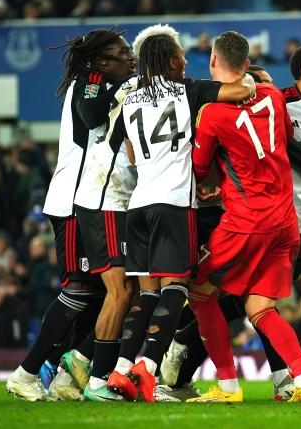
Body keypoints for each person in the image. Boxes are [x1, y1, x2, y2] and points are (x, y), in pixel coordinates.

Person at [156, 59, 301, 402]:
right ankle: (296, 379)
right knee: (254, 306)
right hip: (284, 222)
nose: (264, 86)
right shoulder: (276, 101)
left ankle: (273, 382)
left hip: (274, 222)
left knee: (210, 292)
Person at [103, 25, 254, 403]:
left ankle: (121, 371)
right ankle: (149, 370)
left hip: (138, 205)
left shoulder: (131, 99)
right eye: (182, 56)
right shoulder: (187, 89)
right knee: (176, 288)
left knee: (147, 294)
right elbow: (243, 90)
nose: (187, 61)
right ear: (171, 62)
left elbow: (132, 153)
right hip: (172, 204)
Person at [190, 31, 301, 402]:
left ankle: (229, 386)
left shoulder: (212, 114)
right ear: (247, 65)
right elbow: (285, 138)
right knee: (261, 308)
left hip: (245, 223)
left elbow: (199, 169)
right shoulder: (274, 97)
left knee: (199, 290)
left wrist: (213, 182)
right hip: (285, 222)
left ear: (213, 63)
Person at [6, 28, 134, 402]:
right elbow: (93, 116)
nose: (129, 57)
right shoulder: (90, 81)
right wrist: (118, 90)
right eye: (121, 52)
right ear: (100, 61)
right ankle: (28, 372)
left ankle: (66, 373)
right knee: (83, 289)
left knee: (101, 293)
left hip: (90, 201)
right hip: (76, 201)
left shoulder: (102, 81)